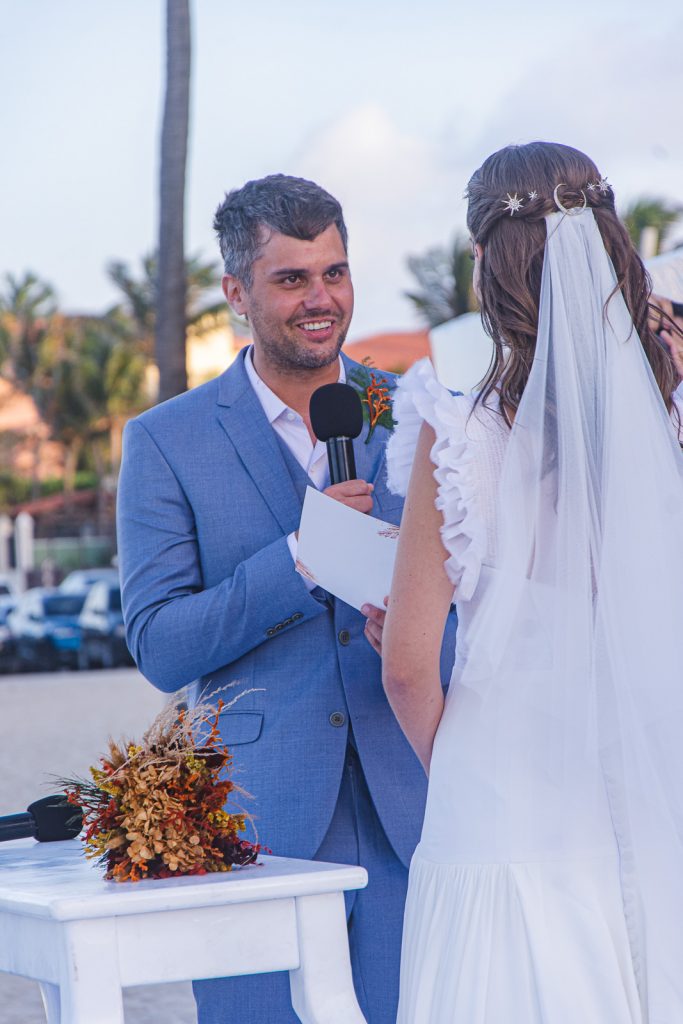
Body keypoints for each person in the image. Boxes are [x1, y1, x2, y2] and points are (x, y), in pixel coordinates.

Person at [116, 173, 456, 1024]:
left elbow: (485, 607)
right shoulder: (166, 441)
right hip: (255, 827)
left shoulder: (420, 415)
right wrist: (302, 558)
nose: (320, 299)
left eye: (334, 273)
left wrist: (417, 631)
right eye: (291, 279)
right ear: (236, 293)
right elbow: (160, 645)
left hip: (419, 808)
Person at [382, 142, 683, 1023]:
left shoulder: (459, 436)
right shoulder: (663, 420)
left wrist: (456, 768)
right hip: (632, 788)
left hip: (497, 802)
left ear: (484, 261)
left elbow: (406, 667)